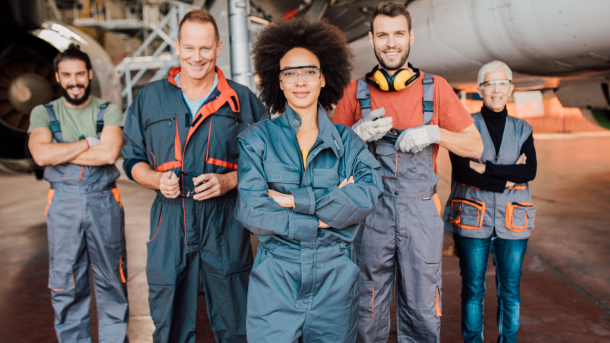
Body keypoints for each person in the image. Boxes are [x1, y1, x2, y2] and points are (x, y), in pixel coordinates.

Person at [332, 2, 485, 342]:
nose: (391, 42)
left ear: (411, 37)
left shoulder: (437, 88)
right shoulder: (353, 92)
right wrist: (354, 136)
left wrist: (435, 133)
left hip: (420, 212)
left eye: (398, 33)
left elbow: (475, 146)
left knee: (422, 307)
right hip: (369, 213)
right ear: (371, 39)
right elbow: (328, 164)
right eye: (383, 34)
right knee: (366, 305)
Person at [121, 10, 268, 343]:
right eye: (189, 48)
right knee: (169, 315)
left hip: (225, 222)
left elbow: (266, 165)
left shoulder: (244, 101)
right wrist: (157, 180)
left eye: (204, 48)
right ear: (177, 47)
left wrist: (229, 181)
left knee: (236, 319)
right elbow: (132, 161)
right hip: (170, 221)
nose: (196, 57)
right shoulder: (150, 98)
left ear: (218, 48)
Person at [235, 16, 383, 342]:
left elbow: (370, 191)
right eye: (291, 73)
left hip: (335, 280)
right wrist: (322, 219)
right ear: (280, 82)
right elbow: (252, 209)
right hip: (276, 278)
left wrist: (290, 201)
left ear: (323, 78)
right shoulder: (256, 140)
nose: (300, 81)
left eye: (309, 72)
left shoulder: (349, 143)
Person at [28, 44, 128, 343]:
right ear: (58, 77)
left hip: (103, 200)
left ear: (88, 75)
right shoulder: (42, 112)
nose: (74, 81)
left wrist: (61, 152)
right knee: (66, 283)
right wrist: (87, 142)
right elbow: (40, 156)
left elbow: (109, 152)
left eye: (80, 74)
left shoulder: (107, 109)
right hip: (63, 204)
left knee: (112, 280)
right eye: (67, 75)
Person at [443, 60, 537, 343]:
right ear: (480, 89)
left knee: (510, 290)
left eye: (501, 83)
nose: (495, 90)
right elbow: (462, 172)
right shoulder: (463, 125)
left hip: (513, 221)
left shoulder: (523, 129)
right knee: (473, 289)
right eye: (489, 84)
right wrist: (508, 179)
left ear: (510, 88)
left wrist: (486, 169)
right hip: (473, 222)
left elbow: (529, 171)